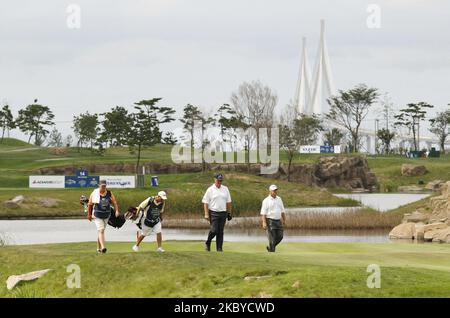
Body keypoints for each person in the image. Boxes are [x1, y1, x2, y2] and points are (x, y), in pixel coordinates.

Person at [87, 180, 120, 254]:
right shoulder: (94, 193)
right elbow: (90, 204)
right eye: (102, 186)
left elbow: (114, 202)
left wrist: (117, 211)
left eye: (105, 186)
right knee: (101, 230)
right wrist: (89, 215)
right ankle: (103, 248)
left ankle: (98, 248)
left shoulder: (109, 193)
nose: (103, 187)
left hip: (106, 215)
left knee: (100, 231)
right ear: (99, 185)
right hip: (97, 215)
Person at [202, 173, 232, 252]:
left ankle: (219, 249)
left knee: (220, 232)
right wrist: (206, 214)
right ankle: (208, 242)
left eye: (221, 181)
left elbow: (228, 202)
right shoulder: (210, 189)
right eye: (218, 180)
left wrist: (229, 213)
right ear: (214, 179)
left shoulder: (225, 189)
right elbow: (205, 202)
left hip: (223, 213)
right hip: (213, 212)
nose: (219, 182)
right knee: (214, 230)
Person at [260, 184, 286, 252]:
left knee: (280, 236)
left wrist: (284, 220)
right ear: (270, 191)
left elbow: (282, 210)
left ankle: (270, 247)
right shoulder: (266, 200)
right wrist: (264, 222)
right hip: (270, 221)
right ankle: (272, 251)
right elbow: (263, 213)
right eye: (274, 190)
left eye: (276, 190)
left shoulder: (279, 199)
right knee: (272, 238)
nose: (275, 192)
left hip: (278, 221)